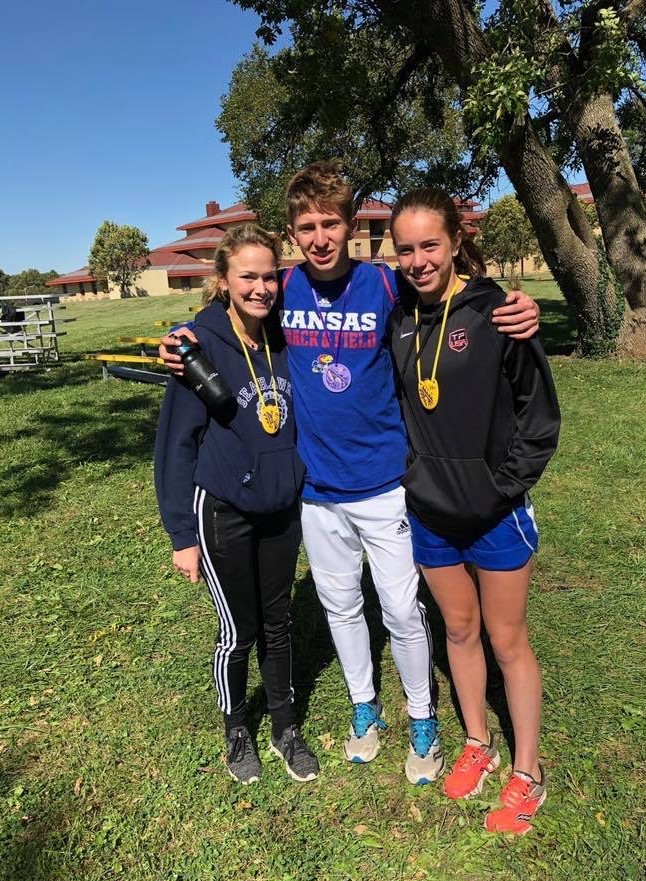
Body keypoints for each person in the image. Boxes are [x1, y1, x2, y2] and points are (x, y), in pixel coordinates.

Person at [160, 162, 541, 785]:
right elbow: (224, 316)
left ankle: (423, 718)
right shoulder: (283, 291)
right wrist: (176, 340)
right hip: (315, 491)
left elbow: (451, 292)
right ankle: (366, 709)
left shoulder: (384, 286)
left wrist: (513, 305)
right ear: (292, 232)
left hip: (388, 482)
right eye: (306, 226)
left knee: (401, 609)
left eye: (330, 223)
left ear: (348, 223)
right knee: (341, 607)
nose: (320, 237)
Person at [388, 188, 560, 833]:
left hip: (493, 512)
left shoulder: (498, 312)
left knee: (508, 640)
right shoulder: (397, 315)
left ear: (456, 242)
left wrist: (500, 487)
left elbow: (538, 417)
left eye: (430, 245)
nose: (418, 259)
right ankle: (479, 745)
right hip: (431, 511)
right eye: (405, 248)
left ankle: (528, 772)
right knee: (458, 633)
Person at [154, 224, 319, 785]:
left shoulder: (286, 334)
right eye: (247, 276)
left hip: (281, 507)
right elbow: (175, 445)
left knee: (279, 622)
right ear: (223, 281)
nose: (261, 287)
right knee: (238, 630)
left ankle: (283, 726)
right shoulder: (198, 346)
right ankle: (235, 730)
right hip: (222, 508)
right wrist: (182, 536)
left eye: (270, 276)